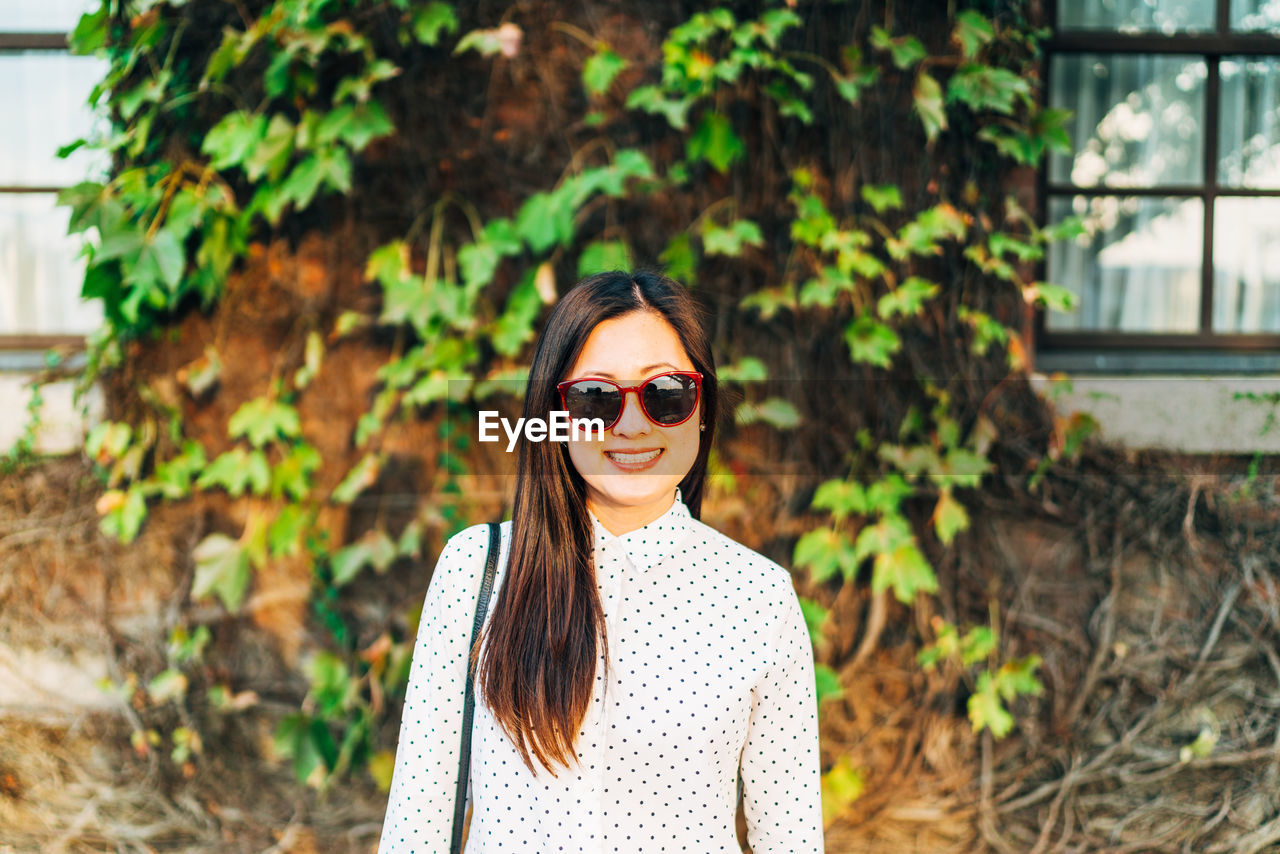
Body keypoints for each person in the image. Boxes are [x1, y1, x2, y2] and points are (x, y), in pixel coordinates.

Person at [378, 270, 823, 853]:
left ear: (703, 409)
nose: (632, 425)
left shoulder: (759, 596)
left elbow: (790, 840)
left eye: (666, 395)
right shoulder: (477, 571)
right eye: (595, 398)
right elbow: (417, 827)